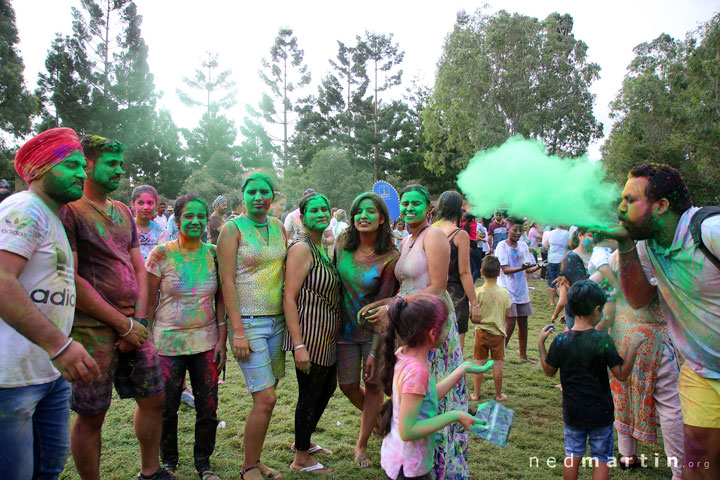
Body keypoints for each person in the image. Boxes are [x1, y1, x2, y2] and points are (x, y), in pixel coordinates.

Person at [59, 135, 172, 480]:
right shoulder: (70, 211)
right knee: (92, 414)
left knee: (154, 398)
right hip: (92, 329)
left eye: (121, 165)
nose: (119, 171)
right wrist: (121, 325)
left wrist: (137, 319)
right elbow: (73, 279)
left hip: (134, 325)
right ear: (88, 165)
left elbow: (138, 267)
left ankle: (150, 472)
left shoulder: (123, 210)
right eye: (112, 164)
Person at [601, 163, 720, 479]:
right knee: (699, 458)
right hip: (701, 370)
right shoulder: (645, 246)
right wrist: (625, 246)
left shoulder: (711, 231)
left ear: (661, 206)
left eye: (630, 200)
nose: (620, 208)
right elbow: (638, 298)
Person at [0, 128, 100, 480]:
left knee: (48, 471)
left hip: (48, 375)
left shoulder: (53, 217)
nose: (81, 174)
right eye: (71, 165)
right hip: (11, 381)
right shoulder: (24, 209)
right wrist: (60, 345)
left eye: (82, 167)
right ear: (41, 168)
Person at [360, 184, 469, 480]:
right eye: (405, 203)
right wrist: (381, 305)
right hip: (410, 321)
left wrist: (393, 307)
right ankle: (415, 457)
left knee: (432, 392)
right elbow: (405, 286)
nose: (408, 208)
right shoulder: (407, 238)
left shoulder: (433, 235)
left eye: (415, 204)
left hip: (431, 321)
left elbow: (437, 287)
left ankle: (440, 463)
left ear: (428, 209)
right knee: (416, 392)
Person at [146, 193, 227, 480]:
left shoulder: (214, 254)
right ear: (177, 220)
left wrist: (222, 339)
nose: (195, 221)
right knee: (166, 407)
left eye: (200, 216)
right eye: (188, 216)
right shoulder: (161, 254)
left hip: (206, 343)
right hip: (166, 343)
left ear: (206, 220)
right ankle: (168, 462)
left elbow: (222, 301)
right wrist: (145, 341)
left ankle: (203, 464)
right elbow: (147, 302)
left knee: (208, 406)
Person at [217, 172, 287, 480]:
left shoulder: (279, 227)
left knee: (269, 398)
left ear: (272, 196)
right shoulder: (232, 229)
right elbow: (227, 282)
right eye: (252, 192)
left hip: (278, 322)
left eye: (264, 192)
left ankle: (256, 460)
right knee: (265, 399)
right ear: (242, 196)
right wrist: (238, 331)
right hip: (249, 323)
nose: (259, 197)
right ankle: (247, 467)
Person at [539, 280, 646, 480]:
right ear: (597, 309)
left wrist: (540, 344)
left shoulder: (560, 341)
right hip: (601, 412)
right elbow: (622, 374)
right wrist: (633, 347)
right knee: (601, 459)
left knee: (572, 456)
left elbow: (548, 371)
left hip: (573, 412)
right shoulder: (602, 340)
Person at [378, 294, 492, 480]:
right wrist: (454, 415)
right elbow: (408, 430)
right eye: (446, 327)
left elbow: (427, 398)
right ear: (432, 334)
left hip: (403, 459)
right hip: (409, 467)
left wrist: (460, 370)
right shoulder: (417, 371)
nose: (448, 331)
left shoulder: (405, 355)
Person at [592, 251, 684, 479]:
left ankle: (627, 456)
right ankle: (680, 471)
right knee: (671, 405)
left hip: (621, 337)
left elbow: (597, 291)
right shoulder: (661, 255)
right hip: (654, 340)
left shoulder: (616, 257)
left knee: (622, 395)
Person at [334, 192, 399, 469]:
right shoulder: (341, 245)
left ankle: (361, 444)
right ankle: (381, 418)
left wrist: (374, 351)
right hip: (343, 331)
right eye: (359, 211)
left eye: (371, 211)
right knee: (347, 385)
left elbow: (381, 308)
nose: (364, 216)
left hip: (376, 334)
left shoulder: (390, 256)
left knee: (373, 386)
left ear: (382, 218)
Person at [283, 192, 341, 474]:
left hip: (327, 336)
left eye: (324, 209)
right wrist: (298, 345)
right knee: (309, 394)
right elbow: (289, 297)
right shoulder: (301, 248)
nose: (321, 213)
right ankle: (301, 459)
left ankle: (301, 442)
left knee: (326, 389)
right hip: (310, 336)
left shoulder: (321, 248)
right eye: (314, 210)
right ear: (302, 217)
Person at [433, 191, 482, 351]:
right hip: (455, 296)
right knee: (454, 351)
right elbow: (464, 272)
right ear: (458, 209)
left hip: (430, 293)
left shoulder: (428, 230)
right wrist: (474, 303)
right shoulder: (460, 235)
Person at [496, 216, 542, 363]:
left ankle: (523, 356)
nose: (518, 233)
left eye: (520, 230)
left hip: (521, 290)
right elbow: (505, 269)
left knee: (524, 322)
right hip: (507, 289)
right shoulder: (501, 246)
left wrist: (539, 267)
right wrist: (522, 267)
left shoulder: (523, 246)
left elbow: (528, 269)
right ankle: (499, 355)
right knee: (510, 322)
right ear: (507, 229)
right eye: (515, 230)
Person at [472, 255, 512, 402]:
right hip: (498, 334)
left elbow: (473, 313)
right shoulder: (504, 293)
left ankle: (476, 394)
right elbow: (507, 314)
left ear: (481, 272)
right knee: (497, 364)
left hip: (481, 332)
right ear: (498, 273)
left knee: (479, 364)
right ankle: (498, 394)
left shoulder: (478, 292)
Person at [131, 185, 169, 261]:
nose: (146, 207)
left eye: (150, 203)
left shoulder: (161, 233)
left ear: (156, 205)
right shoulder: (125, 229)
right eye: (141, 203)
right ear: (132, 205)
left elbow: (164, 261)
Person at [543, 225, 570, 306]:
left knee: (551, 280)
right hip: (562, 259)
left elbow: (545, 245)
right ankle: (561, 301)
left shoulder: (550, 233)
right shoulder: (567, 234)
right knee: (561, 281)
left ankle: (552, 302)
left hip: (551, 258)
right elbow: (571, 245)